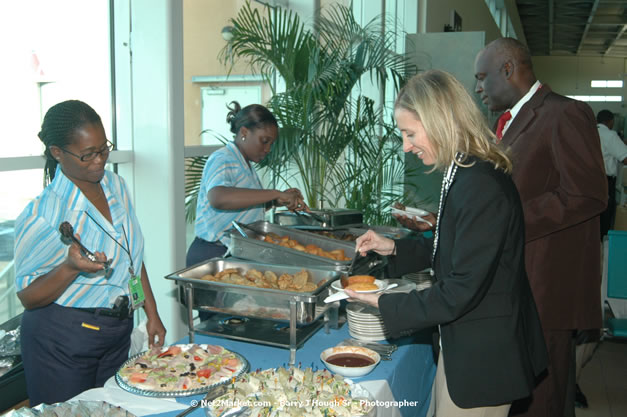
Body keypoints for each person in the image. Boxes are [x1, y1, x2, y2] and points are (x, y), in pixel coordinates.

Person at [346, 69, 547, 417]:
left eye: (410, 134)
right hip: (461, 347)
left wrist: (384, 302)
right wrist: (393, 247)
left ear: (439, 121)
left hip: (484, 358)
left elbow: (461, 288)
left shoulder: (480, 185)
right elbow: (453, 245)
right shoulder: (463, 171)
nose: (406, 146)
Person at [474, 37, 607, 417]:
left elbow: (587, 194)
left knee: (544, 401)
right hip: (515, 285)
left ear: (508, 69)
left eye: (483, 77)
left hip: (546, 290)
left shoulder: (564, 113)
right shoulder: (507, 123)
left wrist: (508, 221)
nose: (479, 87)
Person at [14, 100, 166, 406]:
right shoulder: (42, 213)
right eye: (87, 155)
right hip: (62, 339)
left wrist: (152, 314)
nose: (99, 161)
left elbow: (131, 258)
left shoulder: (117, 186)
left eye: (104, 149)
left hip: (115, 332)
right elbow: (28, 297)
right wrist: (70, 267)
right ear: (58, 152)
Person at [186, 101, 307, 267]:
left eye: (271, 144)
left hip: (234, 252)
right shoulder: (224, 158)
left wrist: (274, 201)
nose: (268, 149)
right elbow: (219, 198)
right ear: (244, 132)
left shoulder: (244, 164)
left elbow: (240, 206)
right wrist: (274, 193)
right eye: (264, 141)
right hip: (212, 254)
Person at [597, 109, 627, 238]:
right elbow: (625, 157)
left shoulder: (588, 132)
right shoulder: (610, 135)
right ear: (611, 121)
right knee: (605, 215)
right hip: (605, 182)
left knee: (594, 215)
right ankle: (604, 244)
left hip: (588, 180)